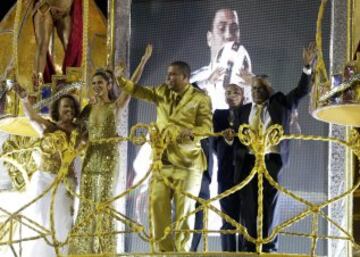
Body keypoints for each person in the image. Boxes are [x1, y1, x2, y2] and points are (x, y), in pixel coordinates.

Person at [117, 61, 212, 252]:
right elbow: (139, 91)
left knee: (184, 214)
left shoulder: (200, 99)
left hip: (188, 164)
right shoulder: (161, 92)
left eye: (173, 75)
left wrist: (190, 131)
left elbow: (207, 128)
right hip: (162, 162)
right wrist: (120, 79)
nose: (168, 78)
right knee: (156, 207)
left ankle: (182, 252)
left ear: (185, 78)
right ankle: (165, 253)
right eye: (168, 74)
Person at [68, 45, 152, 255]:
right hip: (90, 157)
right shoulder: (88, 109)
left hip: (108, 158)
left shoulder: (115, 105)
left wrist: (142, 61)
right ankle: (82, 250)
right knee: (87, 202)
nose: (96, 86)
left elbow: (131, 87)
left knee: (103, 203)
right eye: (93, 83)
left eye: (100, 83)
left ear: (108, 85)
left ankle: (105, 250)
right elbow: (79, 131)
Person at [233, 42, 316, 252]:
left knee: (269, 205)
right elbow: (235, 138)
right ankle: (249, 247)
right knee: (249, 205)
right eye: (254, 89)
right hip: (248, 162)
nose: (257, 92)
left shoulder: (281, 104)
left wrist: (307, 67)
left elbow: (302, 90)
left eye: (261, 88)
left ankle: (269, 246)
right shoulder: (242, 111)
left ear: (270, 90)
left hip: (271, 161)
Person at [12, 83, 81, 257]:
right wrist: (24, 99)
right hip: (43, 181)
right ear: (58, 108)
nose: (69, 109)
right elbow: (32, 118)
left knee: (63, 222)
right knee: (41, 220)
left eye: (72, 106)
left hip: (66, 183)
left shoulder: (80, 132)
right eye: (66, 106)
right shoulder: (49, 127)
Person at [190, 8, 252, 110]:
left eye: (234, 29)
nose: (228, 36)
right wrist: (207, 83)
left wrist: (254, 85)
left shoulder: (254, 85)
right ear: (209, 38)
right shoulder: (195, 80)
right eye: (221, 28)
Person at [213, 83, 244, 251]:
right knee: (227, 221)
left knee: (247, 221)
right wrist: (227, 141)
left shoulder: (249, 112)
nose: (231, 95)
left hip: (247, 173)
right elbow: (214, 145)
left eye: (236, 92)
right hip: (225, 175)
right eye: (228, 92)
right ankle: (228, 254)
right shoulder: (218, 115)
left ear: (243, 95)